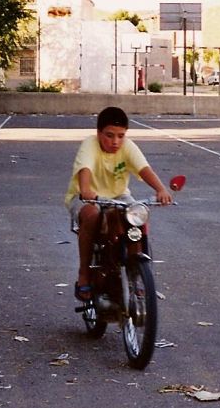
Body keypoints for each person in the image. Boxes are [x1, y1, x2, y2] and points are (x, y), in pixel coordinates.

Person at [65, 106, 173, 300]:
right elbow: (85, 170)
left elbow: (143, 168)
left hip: (119, 197)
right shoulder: (89, 145)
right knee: (91, 214)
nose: (115, 141)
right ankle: (84, 274)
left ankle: (137, 274)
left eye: (121, 136)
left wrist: (161, 189)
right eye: (109, 135)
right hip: (87, 198)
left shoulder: (127, 146)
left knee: (137, 216)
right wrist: (86, 189)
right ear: (98, 133)